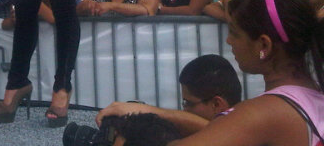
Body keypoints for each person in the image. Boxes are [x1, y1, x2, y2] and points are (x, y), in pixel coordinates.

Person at [160, 0, 324, 146]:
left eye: (234, 33)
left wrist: (161, 115)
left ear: (264, 45)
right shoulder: (314, 96)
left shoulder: (263, 113)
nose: (228, 40)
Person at [97, 54, 241, 136]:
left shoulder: (242, 133)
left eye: (188, 103)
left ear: (216, 104)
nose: (184, 110)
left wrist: (145, 111)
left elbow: (221, 133)